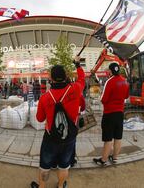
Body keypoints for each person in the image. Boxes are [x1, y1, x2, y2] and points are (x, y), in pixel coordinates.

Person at [31, 56, 85, 188]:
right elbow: (82, 79)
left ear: (51, 79)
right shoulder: (76, 89)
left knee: (45, 165)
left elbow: (39, 119)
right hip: (70, 137)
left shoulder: (45, 98)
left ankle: (42, 186)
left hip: (51, 138)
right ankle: (61, 186)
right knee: (64, 165)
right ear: (66, 76)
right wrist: (77, 64)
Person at [93, 62, 129, 166]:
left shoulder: (110, 82)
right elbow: (126, 96)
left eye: (108, 70)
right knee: (118, 137)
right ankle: (114, 158)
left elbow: (104, 100)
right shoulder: (125, 81)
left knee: (108, 138)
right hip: (120, 113)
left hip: (109, 113)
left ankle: (103, 160)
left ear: (111, 70)